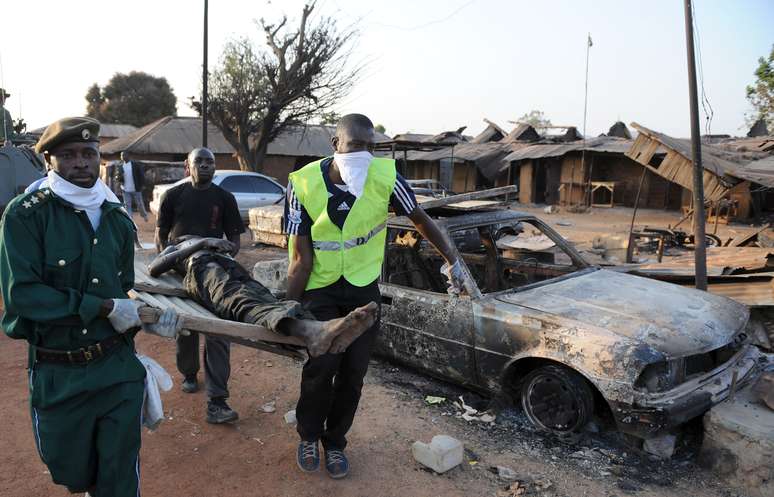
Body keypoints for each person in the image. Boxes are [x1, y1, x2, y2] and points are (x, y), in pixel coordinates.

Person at [0, 117, 179, 496]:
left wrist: (144, 317)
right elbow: (24, 296)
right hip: (58, 371)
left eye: (89, 153)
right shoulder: (26, 215)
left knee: (118, 478)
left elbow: (124, 288)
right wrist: (104, 309)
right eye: (68, 155)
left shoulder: (116, 217)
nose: (80, 162)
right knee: (72, 473)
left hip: (115, 368)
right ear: (49, 160)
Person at [285, 113, 465, 479]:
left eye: (371, 146)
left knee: (353, 374)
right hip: (319, 290)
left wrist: (454, 261)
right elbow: (300, 258)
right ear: (336, 144)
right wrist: (289, 309)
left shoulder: (387, 177)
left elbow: (422, 220)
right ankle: (308, 435)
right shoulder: (301, 183)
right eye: (356, 145)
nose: (364, 153)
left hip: (363, 290)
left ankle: (335, 442)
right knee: (320, 368)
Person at [147, 236, 378, 356]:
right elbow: (154, 268)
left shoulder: (204, 238)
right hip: (203, 270)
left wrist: (220, 246)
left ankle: (316, 330)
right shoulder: (178, 247)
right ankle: (312, 331)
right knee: (239, 301)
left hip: (232, 267)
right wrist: (202, 243)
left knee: (265, 299)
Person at [155, 147, 245, 423]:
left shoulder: (225, 198)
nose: (205, 166)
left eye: (210, 162)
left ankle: (217, 401)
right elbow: (161, 237)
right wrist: (171, 259)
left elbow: (235, 241)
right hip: (180, 266)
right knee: (187, 327)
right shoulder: (173, 196)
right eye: (200, 162)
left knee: (219, 331)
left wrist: (224, 251)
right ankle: (190, 373)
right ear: (188, 166)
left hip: (213, 271)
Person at [114, 151, 148, 221]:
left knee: (139, 204)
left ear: (128, 156)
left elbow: (141, 175)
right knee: (127, 205)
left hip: (136, 188)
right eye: (121, 156)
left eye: (124, 155)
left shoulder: (135, 165)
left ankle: (144, 215)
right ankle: (130, 219)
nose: (122, 157)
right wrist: (118, 178)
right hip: (125, 189)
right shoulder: (120, 166)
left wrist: (143, 184)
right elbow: (117, 177)